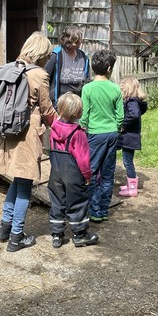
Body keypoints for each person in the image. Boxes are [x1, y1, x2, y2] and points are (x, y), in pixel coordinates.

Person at [0, 32, 58, 252]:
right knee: (24, 184)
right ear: (42, 53)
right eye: (48, 54)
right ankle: (16, 237)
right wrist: (62, 126)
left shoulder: (6, 69)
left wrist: (6, 114)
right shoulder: (39, 75)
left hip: (4, 134)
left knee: (16, 180)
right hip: (26, 134)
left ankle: (4, 229)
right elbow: (46, 109)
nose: (49, 58)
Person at [47, 92, 98, 248]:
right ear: (78, 113)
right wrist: (87, 176)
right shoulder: (78, 134)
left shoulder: (54, 129)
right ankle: (80, 234)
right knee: (77, 202)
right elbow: (83, 159)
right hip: (73, 174)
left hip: (56, 172)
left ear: (60, 110)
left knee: (57, 201)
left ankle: (57, 235)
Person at [80, 49, 124, 223]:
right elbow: (120, 115)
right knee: (107, 173)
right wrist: (116, 128)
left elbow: (85, 114)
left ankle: (92, 208)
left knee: (91, 172)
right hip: (112, 134)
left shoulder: (87, 88)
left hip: (93, 134)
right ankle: (103, 210)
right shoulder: (115, 89)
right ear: (108, 68)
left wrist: (83, 128)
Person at [44, 25, 90, 108]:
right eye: (78, 39)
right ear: (71, 41)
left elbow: (87, 81)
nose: (81, 41)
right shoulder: (57, 55)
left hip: (78, 105)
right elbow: (44, 77)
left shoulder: (83, 57)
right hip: (59, 106)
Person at [117, 77, 148, 197]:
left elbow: (134, 115)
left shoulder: (132, 102)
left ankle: (133, 189)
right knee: (127, 161)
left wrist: (123, 126)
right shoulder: (136, 102)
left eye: (123, 90)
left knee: (128, 162)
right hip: (131, 137)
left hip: (129, 138)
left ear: (128, 89)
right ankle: (130, 185)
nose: (122, 93)